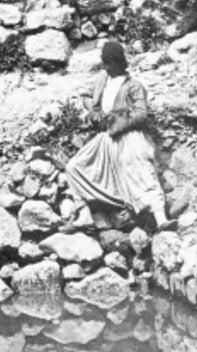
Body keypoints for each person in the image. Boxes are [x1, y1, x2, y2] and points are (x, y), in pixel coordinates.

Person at [64, 41, 175, 232]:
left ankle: (161, 218)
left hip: (128, 135)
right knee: (74, 166)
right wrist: (94, 111)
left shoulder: (133, 86)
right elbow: (87, 97)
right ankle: (83, 215)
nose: (107, 67)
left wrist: (117, 118)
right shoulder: (102, 79)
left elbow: (141, 113)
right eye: (104, 63)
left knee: (141, 172)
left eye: (110, 63)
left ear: (119, 63)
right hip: (107, 137)